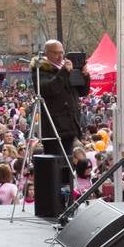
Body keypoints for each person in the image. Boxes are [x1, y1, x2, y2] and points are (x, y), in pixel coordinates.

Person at [33, 39, 90, 171]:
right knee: (56, 165)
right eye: (56, 53)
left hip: (71, 124)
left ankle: (67, 188)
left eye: (61, 52)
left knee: (68, 164)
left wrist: (85, 76)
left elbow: (82, 91)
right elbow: (48, 89)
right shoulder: (40, 69)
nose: (60, 56)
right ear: (47, 53)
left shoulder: (68, 68)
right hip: (54, 126)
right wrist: (64, 72)